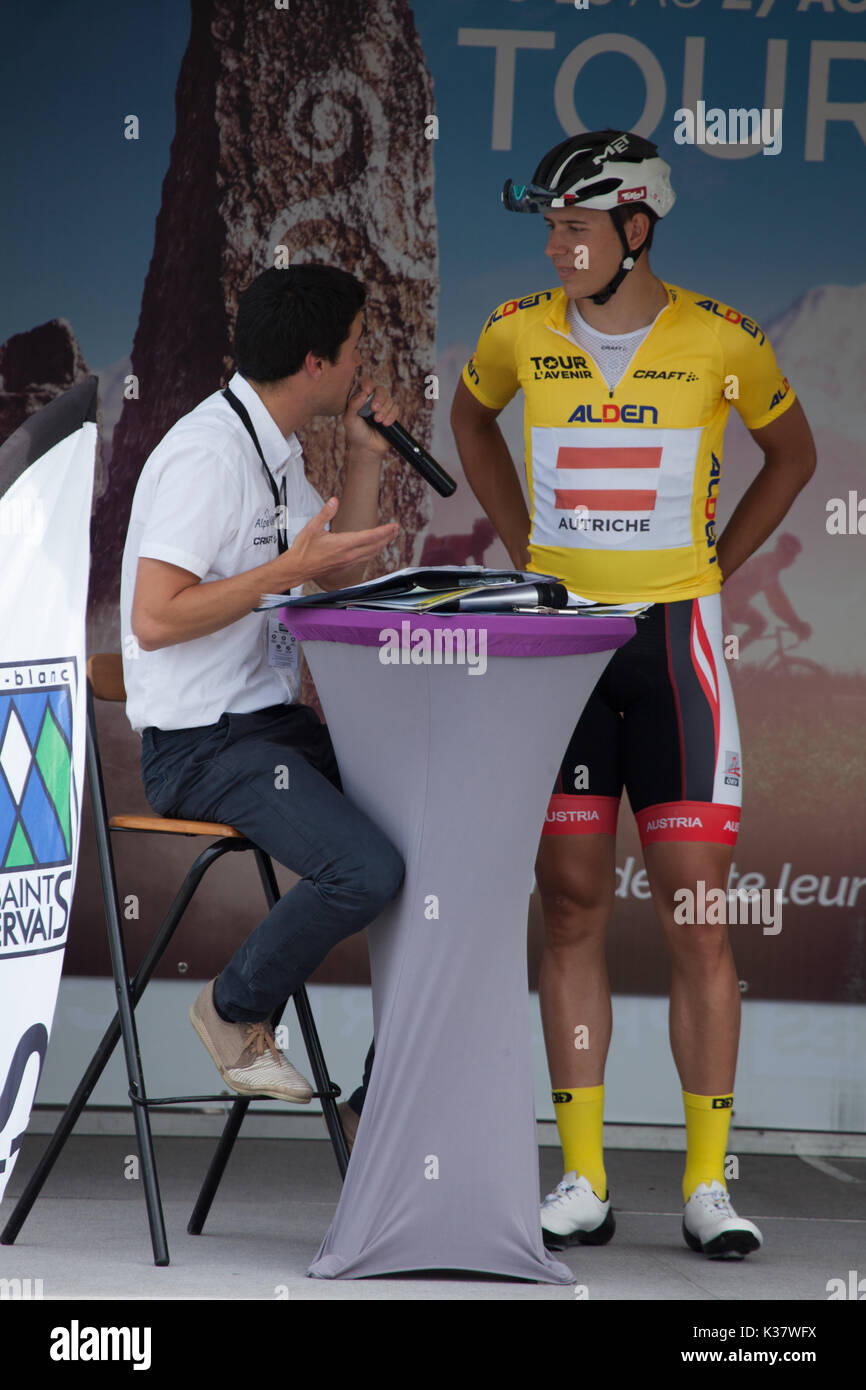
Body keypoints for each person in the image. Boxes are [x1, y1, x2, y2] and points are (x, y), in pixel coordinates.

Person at [451, 130, 816, 1258]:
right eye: (549, 229)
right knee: (566, 904)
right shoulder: (515, 330)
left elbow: (789, 454)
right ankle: (584, 1177)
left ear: (635, 229)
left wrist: (714, 564)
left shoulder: (719, 338)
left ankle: (708, 1182)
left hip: (673, 649)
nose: (558, 246)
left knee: (693, 915)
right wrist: (523, 546)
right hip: (562, 649)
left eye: (576, 227)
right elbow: (469, 420)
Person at [120, 263, 402, 1125]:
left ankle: (390, 1086)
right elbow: (155, 618)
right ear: (316, 361)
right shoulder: (209, 455)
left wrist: (362, 457)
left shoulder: (271, 450)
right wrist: (286, 572)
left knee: (433, 822)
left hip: (271, 729)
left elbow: (329, 560)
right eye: (356, 348)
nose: (364, 365)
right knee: (367, 868)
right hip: (203, 746)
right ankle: (235, 1010)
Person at [722, 531, 811, 651]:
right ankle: (725, 660)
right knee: (729, 643)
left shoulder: (771, 572)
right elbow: (777, 602)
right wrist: (796, 624)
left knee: (760, 624)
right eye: (791, 556)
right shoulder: (763, 566)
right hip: (718, 602)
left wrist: (796, 623)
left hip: (735, 606)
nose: (792, 562)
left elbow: (780, 601)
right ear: (781, 552)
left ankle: (729, 656)